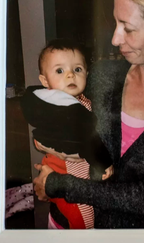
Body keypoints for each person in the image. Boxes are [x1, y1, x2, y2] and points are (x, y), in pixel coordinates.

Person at [32, 0, 144, 229]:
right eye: (116, 23)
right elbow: (65, 113)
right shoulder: (104, 77)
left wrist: (57, 184)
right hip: (77, 227)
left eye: (128, 28)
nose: (115, 39)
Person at [19, 39, 113, 229]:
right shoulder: (54, 107)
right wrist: (103, 162)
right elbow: (86, 140)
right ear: (45, 81)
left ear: (87, 73)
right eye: (60, 71)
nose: (70, 75)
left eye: (77, 69)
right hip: (67, 170)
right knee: (84, 217)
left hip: (76, 176)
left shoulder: (84, 101)